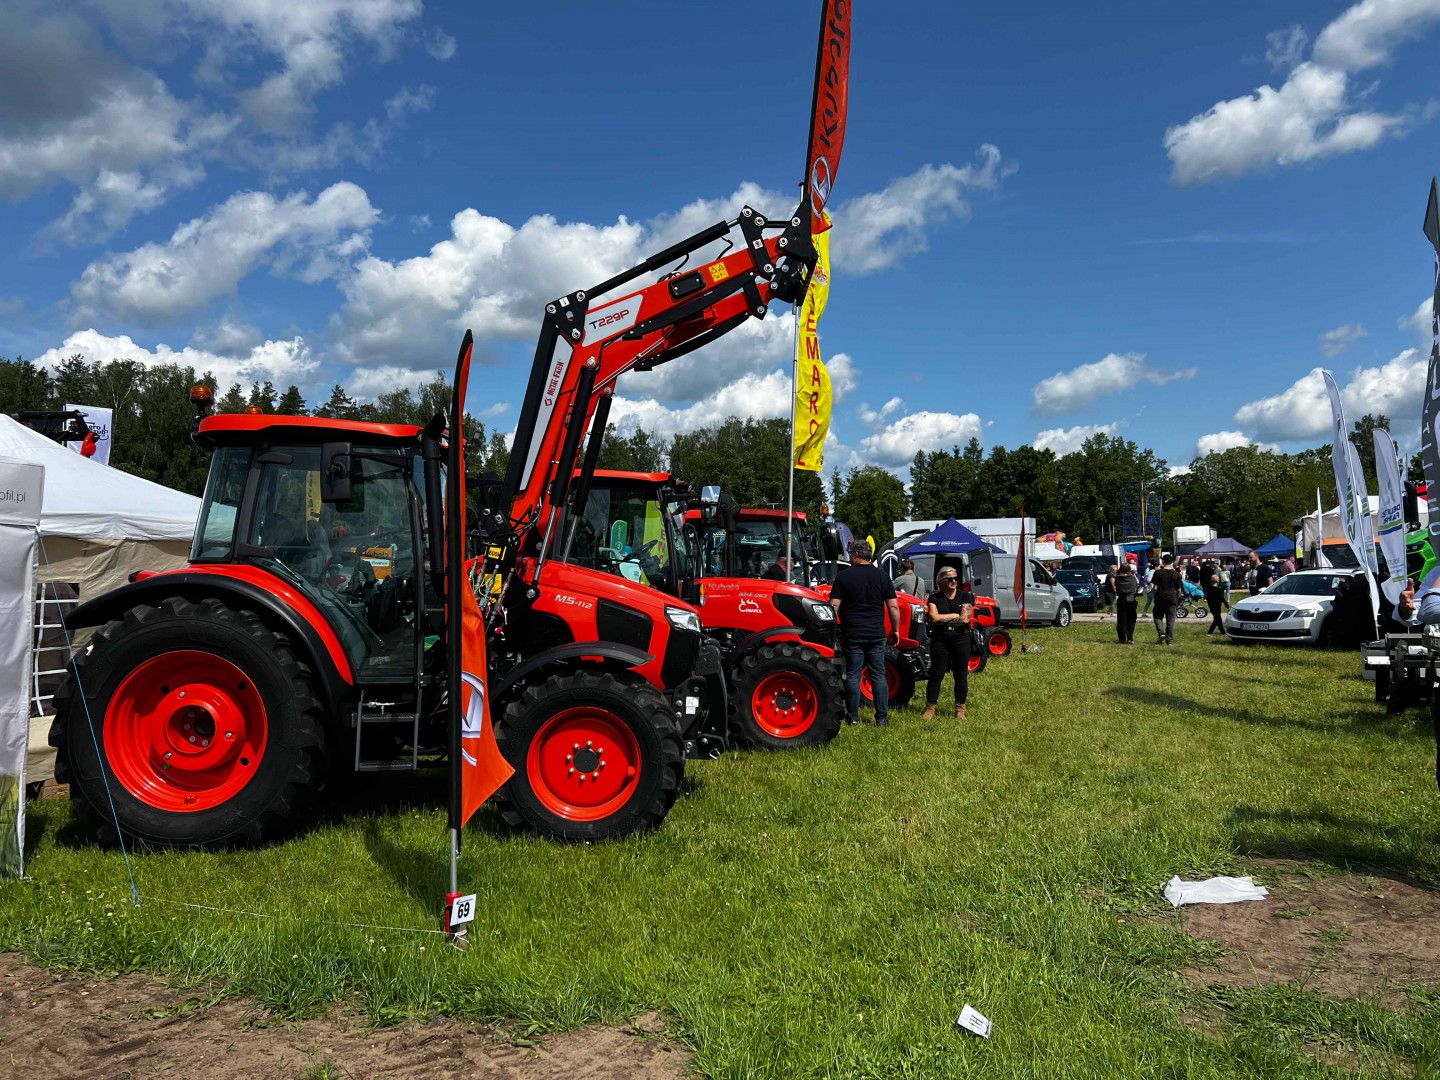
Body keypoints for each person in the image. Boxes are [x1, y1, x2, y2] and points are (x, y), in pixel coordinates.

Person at [830, 540, 901, 727]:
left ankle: (853, 718)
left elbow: (834, 605)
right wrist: (895, 630)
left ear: (855, 554)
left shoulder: (843, 577)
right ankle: (882, 718)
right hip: (876, 632)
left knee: (853, 674)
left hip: (852, 631)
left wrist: (831, 629)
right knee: (878, 674)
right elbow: (893, 606)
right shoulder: (882, 576)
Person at [922, 566, 974, 721]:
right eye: (950, 579)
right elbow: (934, 618)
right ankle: (930, 708)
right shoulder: (934, 598)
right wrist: (954, 615)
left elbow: (965, 619)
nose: (953, 581)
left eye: (955, 578)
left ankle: (960, 709)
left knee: (961, 675)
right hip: (940, 639)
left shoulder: (965, 596)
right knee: (936, 674)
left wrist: (943, 619)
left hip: (961, 639)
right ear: (941, 581)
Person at [1151, 553, 1183, 645]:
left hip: (1160, 598)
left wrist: (1154, 595)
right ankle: (1169, 641)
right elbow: (1179, 589)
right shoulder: (1176, 574)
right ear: (1172, 562)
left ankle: (1161, 633)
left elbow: (1155, 588)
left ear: (1163, 562)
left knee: (1157, 617)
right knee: (1171, 620)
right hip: (1172, 598)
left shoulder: (1158, 573)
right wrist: (1176, 598)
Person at [1114, 561, 1139, 644]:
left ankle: (1122, 638)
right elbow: (1137, 584)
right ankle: (1130, 637)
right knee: (1131, 619)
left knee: (1121, 620)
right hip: (1131, 600)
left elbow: (1117, 589)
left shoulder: (1118, 579)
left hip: (1122, 600)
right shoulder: (1132, 578)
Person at [1203, 562, 1228, 636]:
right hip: (1217, 606)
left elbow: (1206, 597)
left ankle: (1223, 632)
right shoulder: (1219, 590)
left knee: (1218, 619)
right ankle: (1209, 632)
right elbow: (1222, 598)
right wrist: (1226, 604)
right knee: (1217, 619)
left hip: (1211, 605)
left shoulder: (1209, 589)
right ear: (1218, 581)